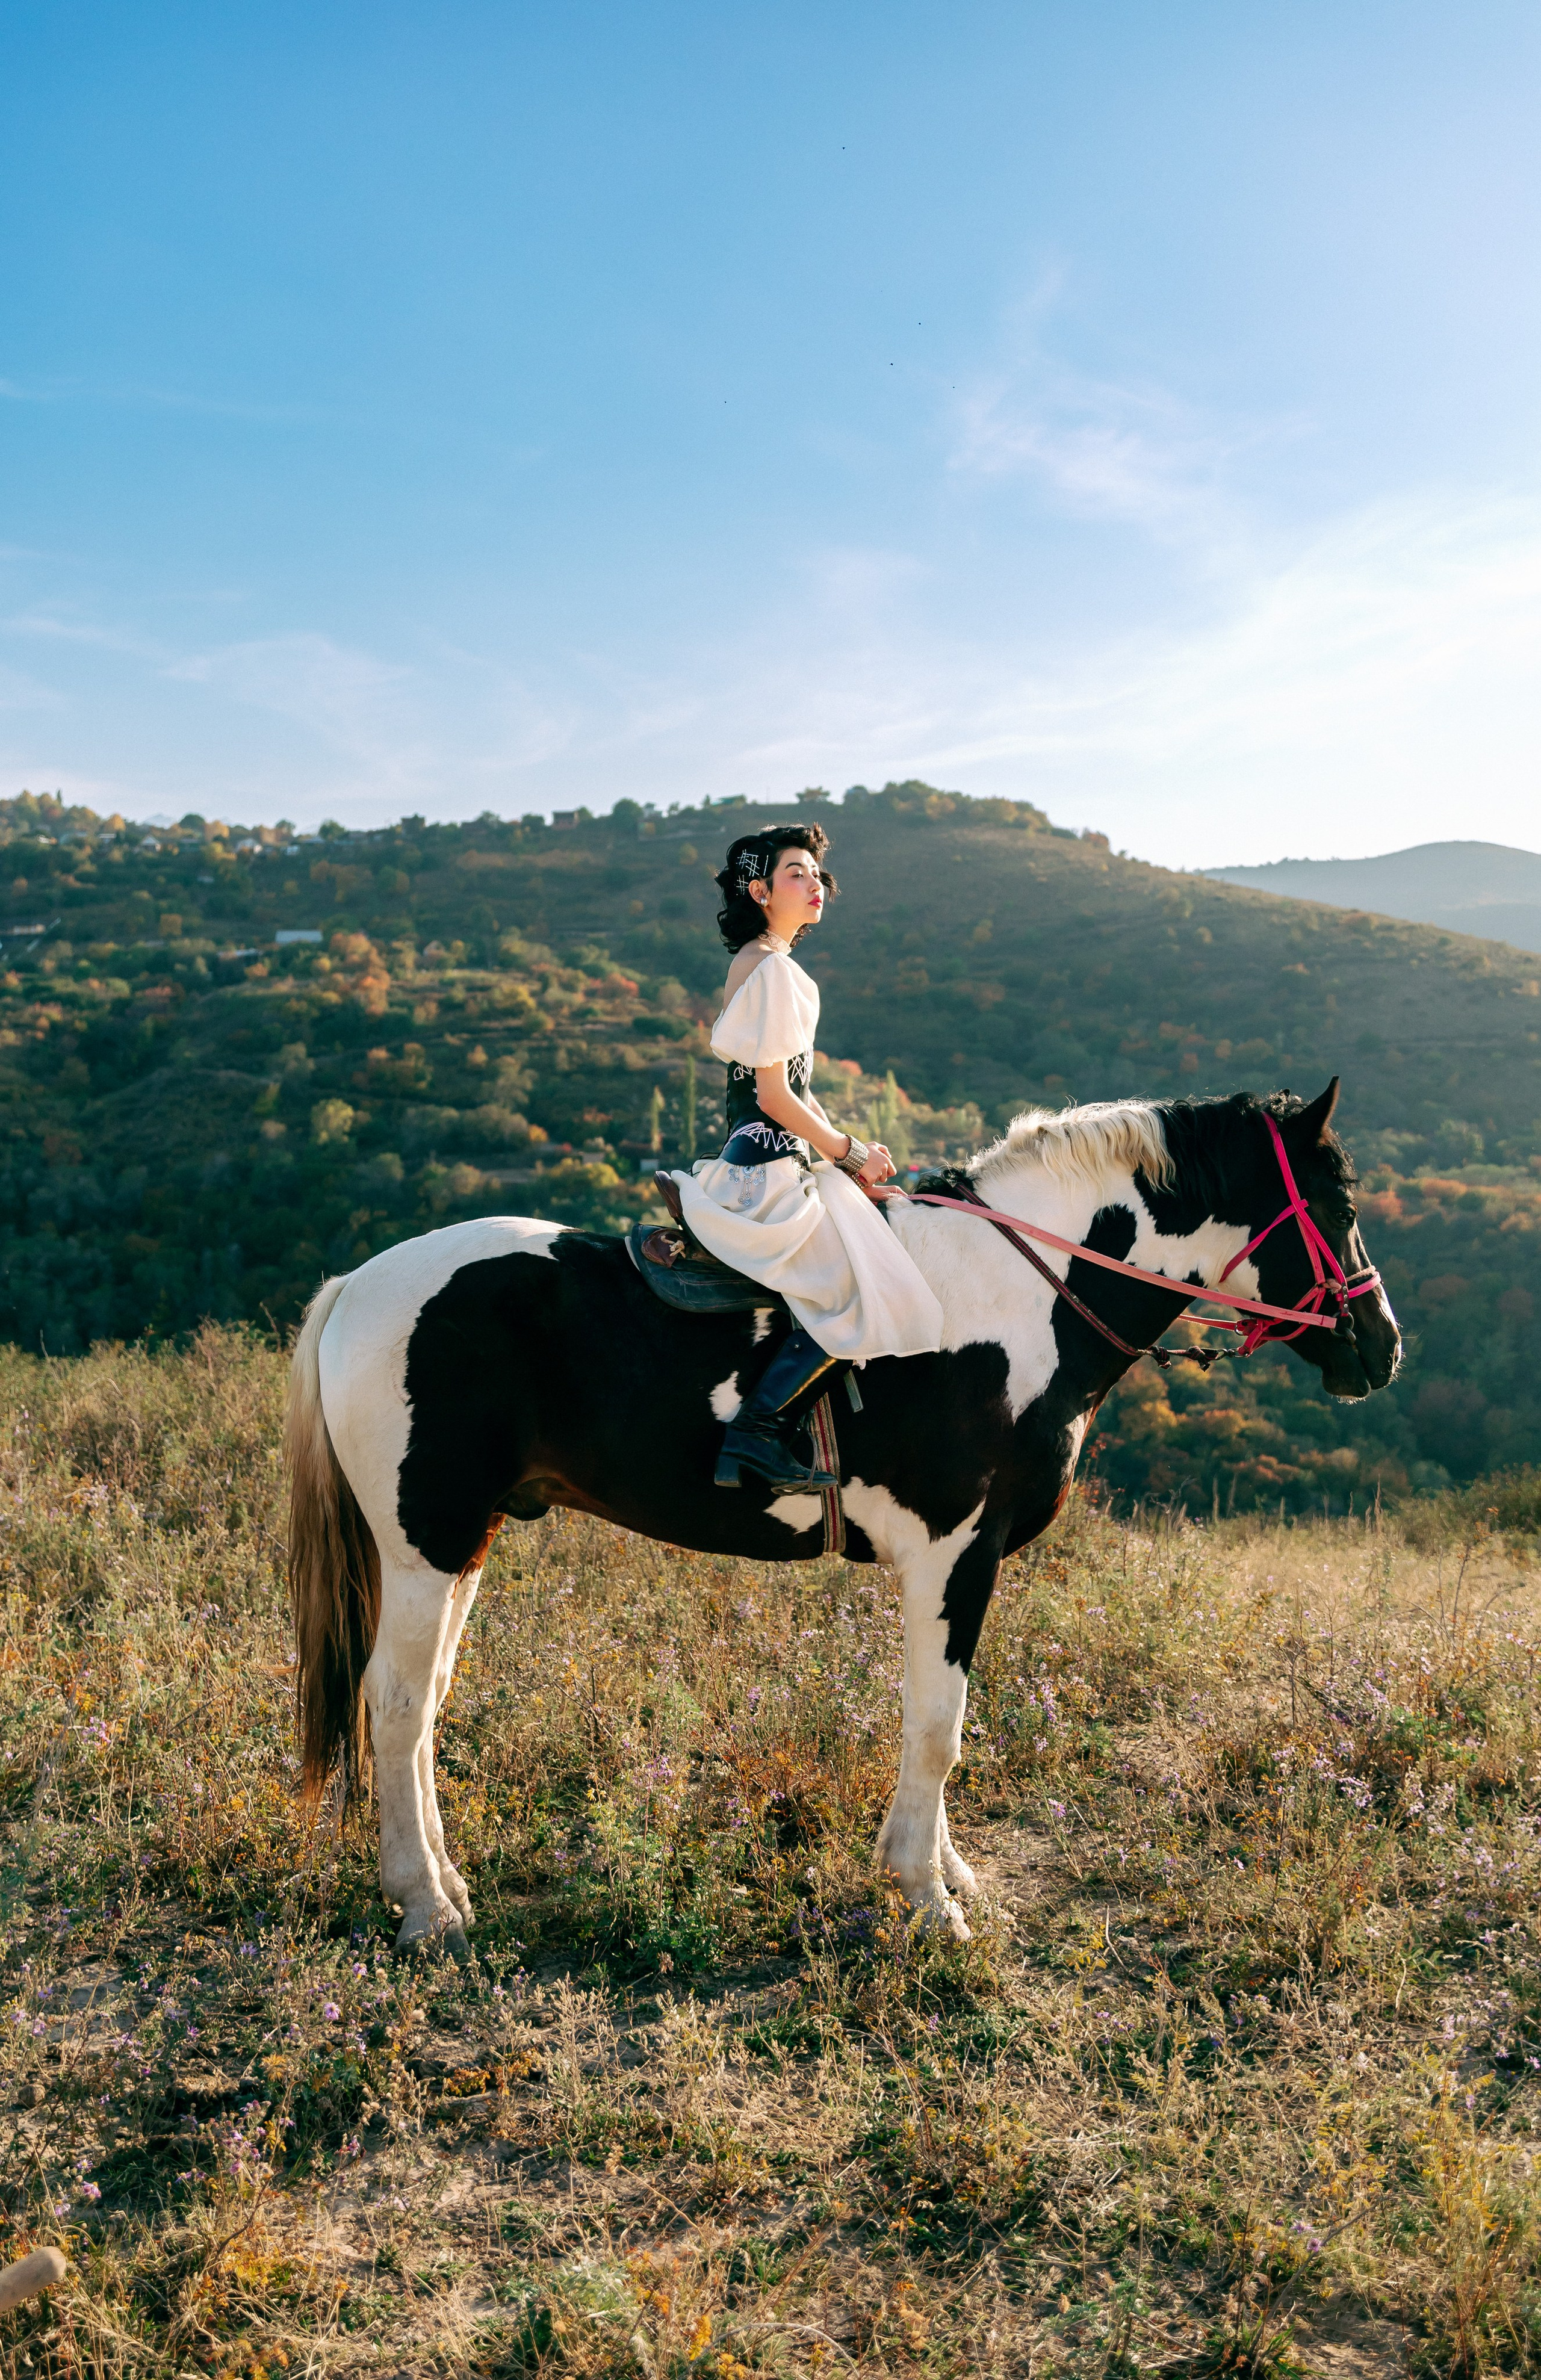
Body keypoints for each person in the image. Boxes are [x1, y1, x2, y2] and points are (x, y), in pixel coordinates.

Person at [668, 822, 944, 1490]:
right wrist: (846, 1150)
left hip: (765, 1157)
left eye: (817, 874)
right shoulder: (774, 970)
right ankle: (756, 1435)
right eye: (796, 873)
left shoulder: (760, 964)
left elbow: (797, 1093)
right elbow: (774, 1095)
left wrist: (849, 1159)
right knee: (858, 1290)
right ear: (760, 891)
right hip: (766, 1172)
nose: (813, 883)